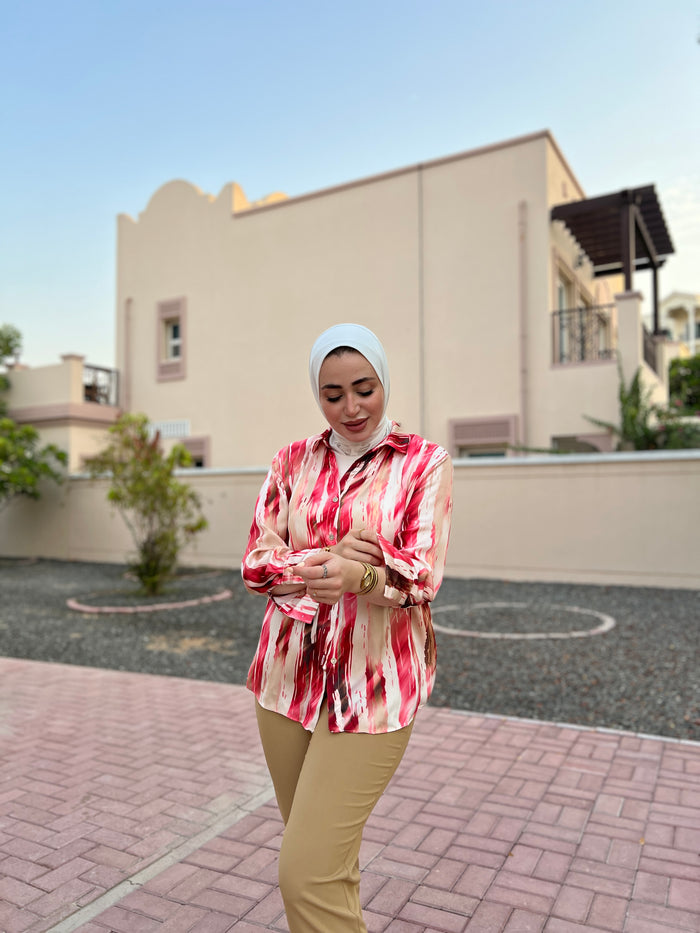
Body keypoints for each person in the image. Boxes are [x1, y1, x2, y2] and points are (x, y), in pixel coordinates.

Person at [241, 323, 452, 933]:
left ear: (384, 381)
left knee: (304, 874)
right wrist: (327, 559)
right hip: (284, 684)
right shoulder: (291, 461)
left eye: (365, 388)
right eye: (333, 395)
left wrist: (361, 574)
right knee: (329, 864)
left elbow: (422, 575)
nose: (351, 407)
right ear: (317, 394)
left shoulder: (423, 463)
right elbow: (258, 562)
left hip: (375, 687)